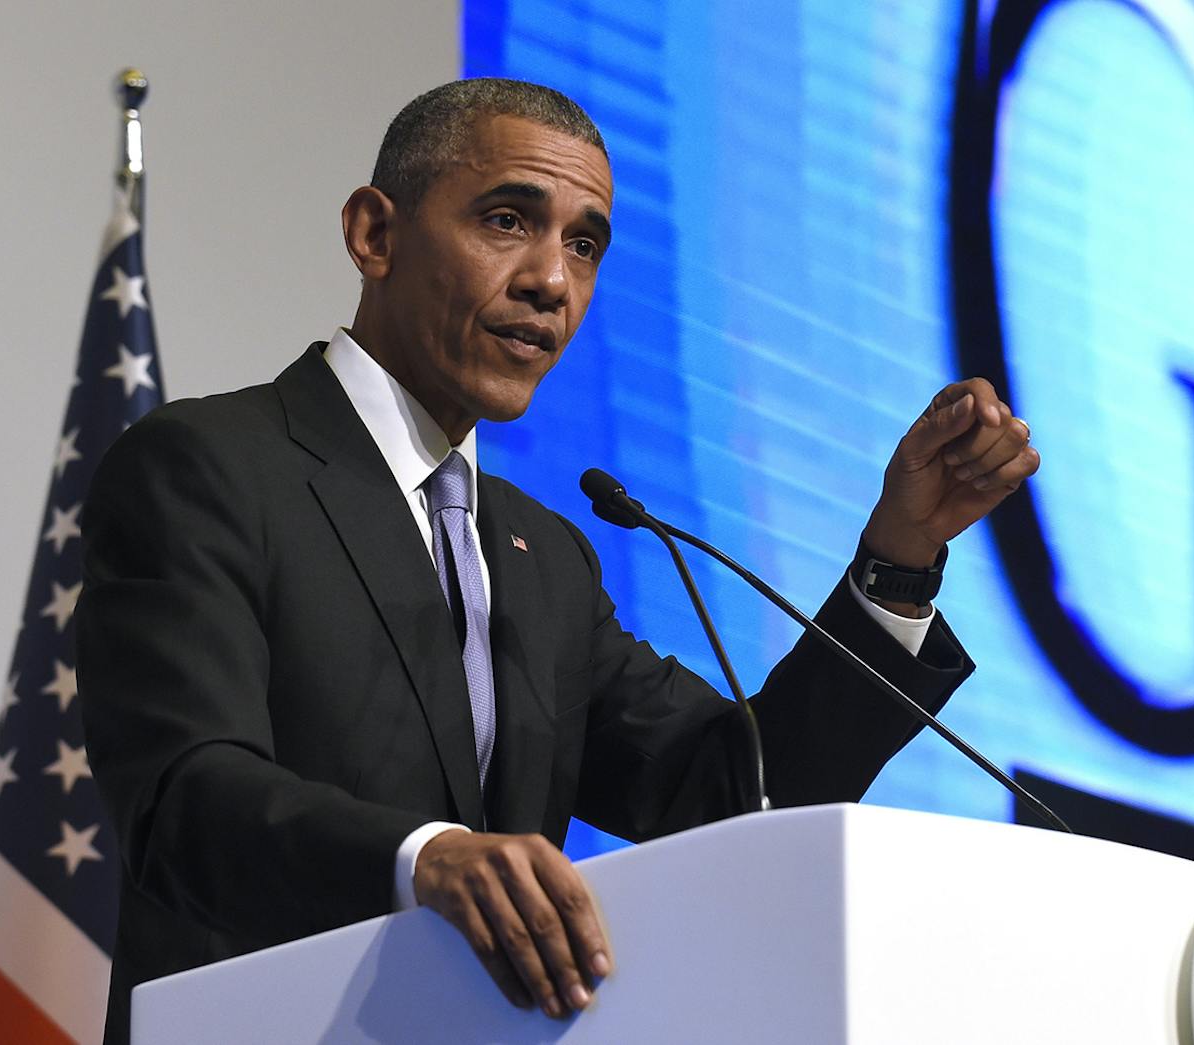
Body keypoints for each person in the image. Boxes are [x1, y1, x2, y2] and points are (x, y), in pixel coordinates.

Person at [77, 77, 1040, 1043]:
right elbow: (184, 796)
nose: (553, 280)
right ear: (375, 235)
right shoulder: (211, 467)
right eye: (508, 220)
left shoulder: (544, 560)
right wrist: (427, 858)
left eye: (584, 244)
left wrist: (900, 557)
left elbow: (736, 794)